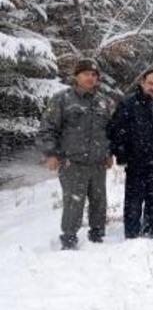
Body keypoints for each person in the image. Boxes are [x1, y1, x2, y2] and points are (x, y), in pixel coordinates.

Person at [41, 58, 115, 250]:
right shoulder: (62, 99)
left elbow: (109, 131)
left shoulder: (103, 102)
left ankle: (97, 236)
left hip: (98, 163)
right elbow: (48, 129)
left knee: (99, 202)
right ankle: (69, 239)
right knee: (74, 203)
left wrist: (108, 153)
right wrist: (51, 153)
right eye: (86, 74)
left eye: (94, 75)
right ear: (76, 76)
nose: (90, 78)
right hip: (72, 163)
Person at [108, 69, 153, 239]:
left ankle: (148, 230)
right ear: (142, 82)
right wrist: (121, 153)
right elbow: (116, 130)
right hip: (135, 160)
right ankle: (131, 233)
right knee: (133, 200)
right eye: (150, 83)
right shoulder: (129, 104)